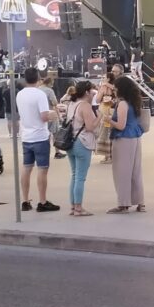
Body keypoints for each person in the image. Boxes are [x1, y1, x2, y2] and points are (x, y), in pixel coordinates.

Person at [16, 67, 60, 213]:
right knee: (42, 169)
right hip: (40, 136)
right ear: (38, 78)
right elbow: (43, 117)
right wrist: (53, 114)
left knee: (26, 168)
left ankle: (25, 200)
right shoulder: (39, 94)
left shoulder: (20, 94)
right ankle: (42, 201)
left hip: (26, 136)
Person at [107, 76, 146, 214]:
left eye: (116, 88)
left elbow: (121, 125)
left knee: (122, 172)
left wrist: (108, 119)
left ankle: (123, 204)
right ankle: (140, 202)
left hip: (123, 139)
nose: (114, 91)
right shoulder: (134, 102)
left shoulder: (122, 104)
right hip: (135, 137)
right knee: (136, 171)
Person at [65, 81, 101, 216]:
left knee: (74, 175)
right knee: (80, 177)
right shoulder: (85, 106)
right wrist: (100, 116)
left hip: (70, 143)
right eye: (93, 92)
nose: (94, 95)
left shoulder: (71, 104)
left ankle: (73, 207)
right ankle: (79, 208)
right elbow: (90, 127)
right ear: (87, 92)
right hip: (82, 143)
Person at [39, 77, 65, 160]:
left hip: (40, 114)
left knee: (44, 134)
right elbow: (54, 102)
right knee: (55, 133)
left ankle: (44, 152)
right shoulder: (49, 91)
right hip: (51, 113)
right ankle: (57, 152)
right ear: (49, 82)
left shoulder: (38, 89)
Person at [96, 72, 118, 164]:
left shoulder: (104, 87)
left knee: (104, 133)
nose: (103, 78)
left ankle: (107, 156)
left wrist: (102, 87)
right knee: (111, 132)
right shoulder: (116, 87)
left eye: (104, 77)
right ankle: (112, 155)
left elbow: (97, 99)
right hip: (113, 110)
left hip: (104, 111)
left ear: (108, 79)